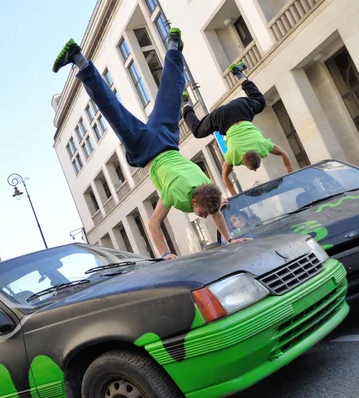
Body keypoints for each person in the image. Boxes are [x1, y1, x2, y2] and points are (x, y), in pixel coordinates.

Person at [52, 28, 250, 260]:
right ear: (194, 200)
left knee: (171, 96)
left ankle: (174, 46)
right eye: (201, 212)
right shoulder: (175, 193)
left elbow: (216, 213)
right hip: (146, 148)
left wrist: (230, 238)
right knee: (112, 110)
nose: (203, 216)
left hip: (166, 138)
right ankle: (78, 58)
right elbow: (153, 224)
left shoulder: (206, 185)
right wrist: (166, 253)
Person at [181, 62, 293, 196]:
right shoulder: (233, 156)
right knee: (198, 132)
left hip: (240, 107)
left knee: (260, 101)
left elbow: (282, 153)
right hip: (222, 118)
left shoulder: (262, 146)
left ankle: (239, 73)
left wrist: (290, 173)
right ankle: (184, 101)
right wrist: (234, 195)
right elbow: (225, 177)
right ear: (244, 163)